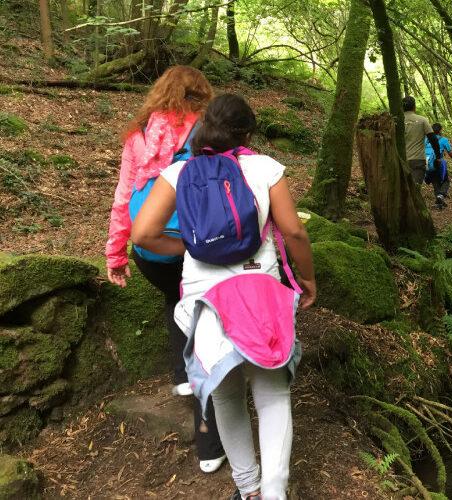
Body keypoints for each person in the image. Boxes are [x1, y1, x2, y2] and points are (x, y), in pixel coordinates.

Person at [130, 93, 316, 500]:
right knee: (271, 392)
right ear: (246, 134)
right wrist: (307, 279)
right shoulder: (265, 168)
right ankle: (274, 493)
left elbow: (142, 234)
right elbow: (294, 231)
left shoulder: (179, 173)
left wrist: (189, 248)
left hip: (205, 297)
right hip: (260, 290)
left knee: (226, 393)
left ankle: (248, 490)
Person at [104, 65, 226, 474]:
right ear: (201, 96)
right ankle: (210, 445)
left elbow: (123, 196)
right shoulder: (207, 132)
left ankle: (181, 374)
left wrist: (116, 254)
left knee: (177, 298)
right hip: (190, 245)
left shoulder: (139, 135)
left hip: (148, 250)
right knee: (208, 327)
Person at [402, 96, 442, 188]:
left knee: (403, 189)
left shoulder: (397, 121)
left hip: (401, 161)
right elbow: (433, 139)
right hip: (417, 160)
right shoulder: (422, 120)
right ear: (414, 106)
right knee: (415, 189)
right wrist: (438, 157)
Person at [424, 123, 452, 209]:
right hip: (439, 162)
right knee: (446, 180)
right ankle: (441, 195)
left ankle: (439, 205)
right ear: (440, 131)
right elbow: (450, 153)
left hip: (428, 164)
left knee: (435, 182)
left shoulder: (426, 140)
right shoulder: (443, 139)